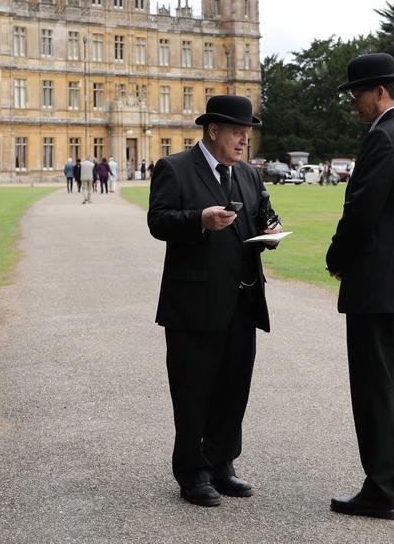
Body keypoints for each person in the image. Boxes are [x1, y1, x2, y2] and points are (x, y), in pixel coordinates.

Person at [147, 95, 282, 508]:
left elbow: (264, 215)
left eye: (247, 133)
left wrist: (272, 230)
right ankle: (193, 473)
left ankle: (222, 464)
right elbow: (158, 221)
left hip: (242, 300)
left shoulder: (249, 174)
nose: (244, 140)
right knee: (193, 391)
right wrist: (199, 220)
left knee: (233, 389)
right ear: (213, 130)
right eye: (238, 132)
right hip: (194, 303)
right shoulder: (175, 168)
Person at [325, 53, 394, 520]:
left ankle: (382, 489)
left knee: (375, 388)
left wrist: (336, 257)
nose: (354, 102)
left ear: (381, 91)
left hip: (377, 285)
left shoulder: (383, 138)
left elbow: (362, 212)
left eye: (358, 94)